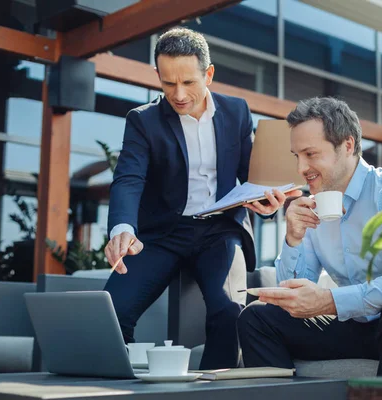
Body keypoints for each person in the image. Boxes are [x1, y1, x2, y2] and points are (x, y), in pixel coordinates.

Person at [103, 27, 298, 369]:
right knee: (111, 313)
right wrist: (122, 226)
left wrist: (266, 202)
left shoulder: (237, 112)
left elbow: (250, 175)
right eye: (168, 83)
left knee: (229, 312)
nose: (178, 94)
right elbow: (129, 176)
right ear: (158, 77)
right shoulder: (143, 121)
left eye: (189, 83)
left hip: (219, 231)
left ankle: (212, 390)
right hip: (160, 236)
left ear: (208, 74)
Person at [237, 97, 382, 376]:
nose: (301, 168)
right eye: (296, 156)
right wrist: (293, 240)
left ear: (347, 145)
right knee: (256, 317)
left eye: (310, 154)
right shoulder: (315, 204)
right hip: (358, 326)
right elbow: (294, 297)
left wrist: (330, 301)